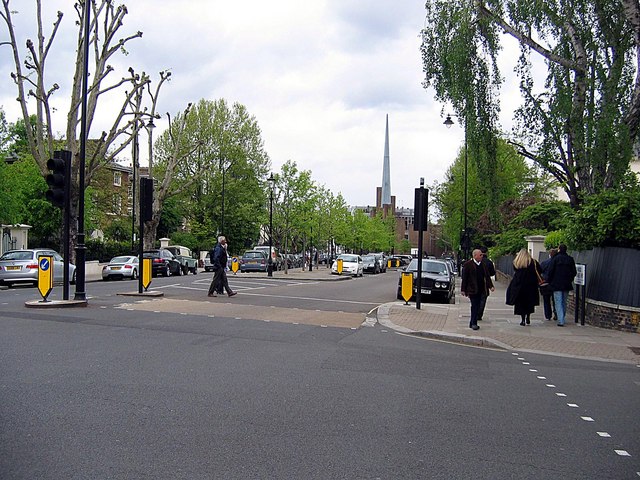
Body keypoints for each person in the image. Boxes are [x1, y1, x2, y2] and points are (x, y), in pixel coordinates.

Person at [461, 249, 495, 330]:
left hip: (482, 289)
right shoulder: (468, 265)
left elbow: (487, 276)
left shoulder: (483, 264)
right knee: (475, 306)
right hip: (472, 289)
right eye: (480, 255)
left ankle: (472, 322)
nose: (482, 256)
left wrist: (491, 286)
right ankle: (474, 323)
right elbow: (464, 278)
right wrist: (463, 289)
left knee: (478, 305)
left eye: (482, 255)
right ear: (475, 256)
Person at [506, 249, 540, 326]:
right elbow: (539, 270)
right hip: (530, 285)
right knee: (529, 302)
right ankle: (528, 316)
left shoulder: (516, 262)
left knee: (520, 303)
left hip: (519, 285)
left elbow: (515, 271)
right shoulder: (533, 262)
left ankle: (522, 320)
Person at [546, 244, 576, 326]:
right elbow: (574, 272)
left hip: (556, 284)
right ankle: (562, 317)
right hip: (566, 284)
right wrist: (570, 279)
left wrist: (549, 280)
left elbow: (550, 271)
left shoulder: (555, 259)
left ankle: (561, 320)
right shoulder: (570, 259)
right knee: (564, 302)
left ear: (559, 249)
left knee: (558, 302)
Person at [477, 246, 496, 322]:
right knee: (483, 300)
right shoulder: (489, 262)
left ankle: (476, 313)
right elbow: (492, 273)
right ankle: (479, 314)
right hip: (485, 285)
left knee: (476, 300)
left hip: (475, 284)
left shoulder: (476, 261)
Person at [539, 248, 558, 321]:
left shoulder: (545, 262)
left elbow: (540, 271)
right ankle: (556, 313)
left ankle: (548, 315)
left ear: (549, 254)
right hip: (555, 283)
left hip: (546, 284)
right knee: (555, 300)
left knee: (546, 300)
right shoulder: (557, 263)